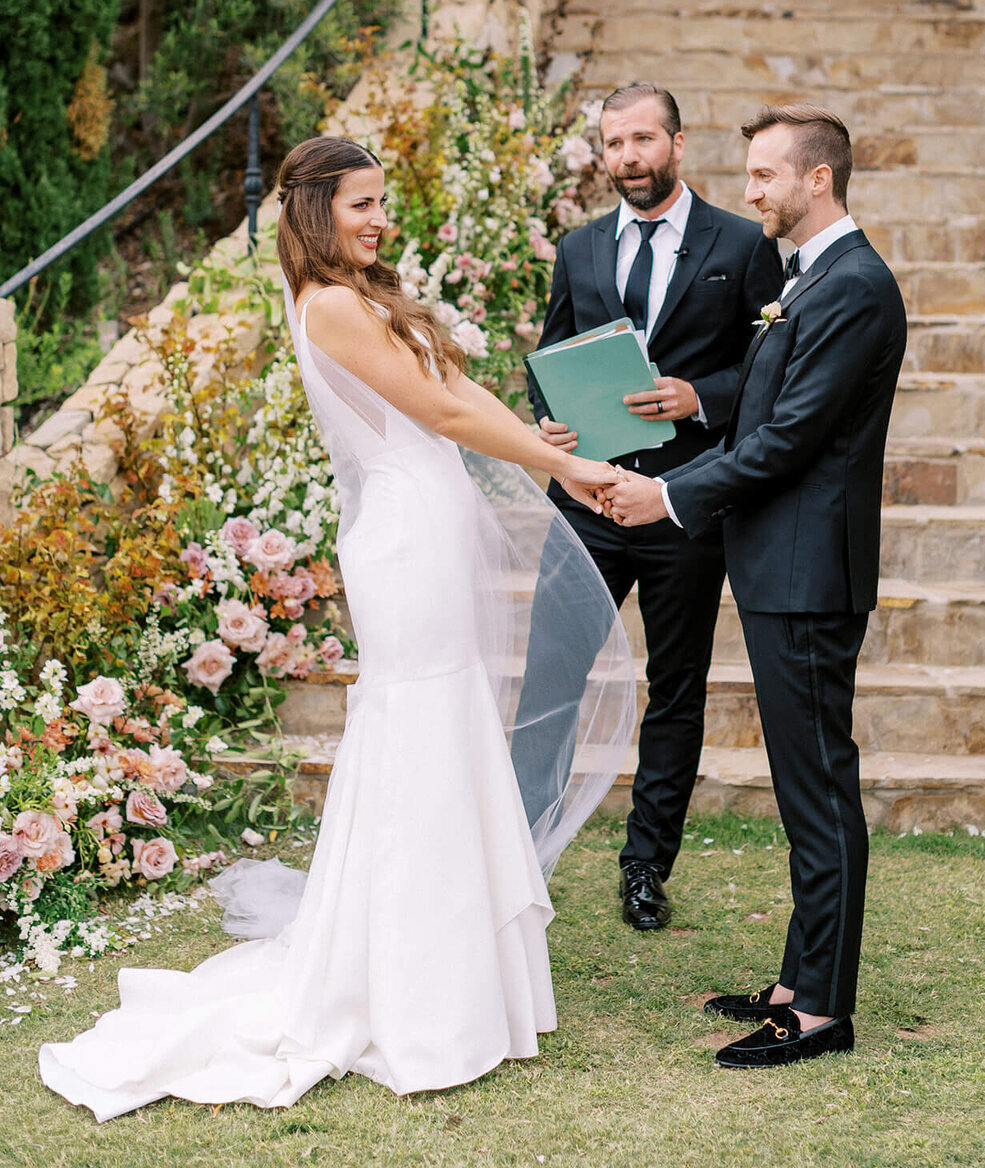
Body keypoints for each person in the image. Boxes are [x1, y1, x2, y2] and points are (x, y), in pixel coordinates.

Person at [40, 137, 636, 1118]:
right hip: (404, 539)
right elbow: (440, 414)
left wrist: (543, 446)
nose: (377, 220)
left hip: (431, 523)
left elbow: (457, 385)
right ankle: (411, 989)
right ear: (314, 210)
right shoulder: (328, 306)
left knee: (447, 728)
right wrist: (567, 472)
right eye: (359, 204)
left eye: (380, 204)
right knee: (416, 731)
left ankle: (467, 980)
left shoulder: (370, 297)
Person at [601, 104, 907, 1067]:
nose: (751, 192)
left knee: (818, 790)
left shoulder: (856, 287)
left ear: (819, 179)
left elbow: (783, 444)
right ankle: (795, 978)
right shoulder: (808, 280)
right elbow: (759, 407)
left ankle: (820, 1011)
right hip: (780, 568)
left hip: (810, 576)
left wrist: (666, 497)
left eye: (767, 175)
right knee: (799, 785)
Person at [518, 82, 783, 931]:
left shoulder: (742, 245)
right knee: (547, 680)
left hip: (680, 506)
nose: (627, 157)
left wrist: (696, 396)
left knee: (677, 688)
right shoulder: (579, 246)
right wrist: (549, 419)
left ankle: (645, 869)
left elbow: (771, 372)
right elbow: (549, 355)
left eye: (642, 140)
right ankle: (517, 849)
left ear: (675, 141)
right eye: (613, 143)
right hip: (588, 499)